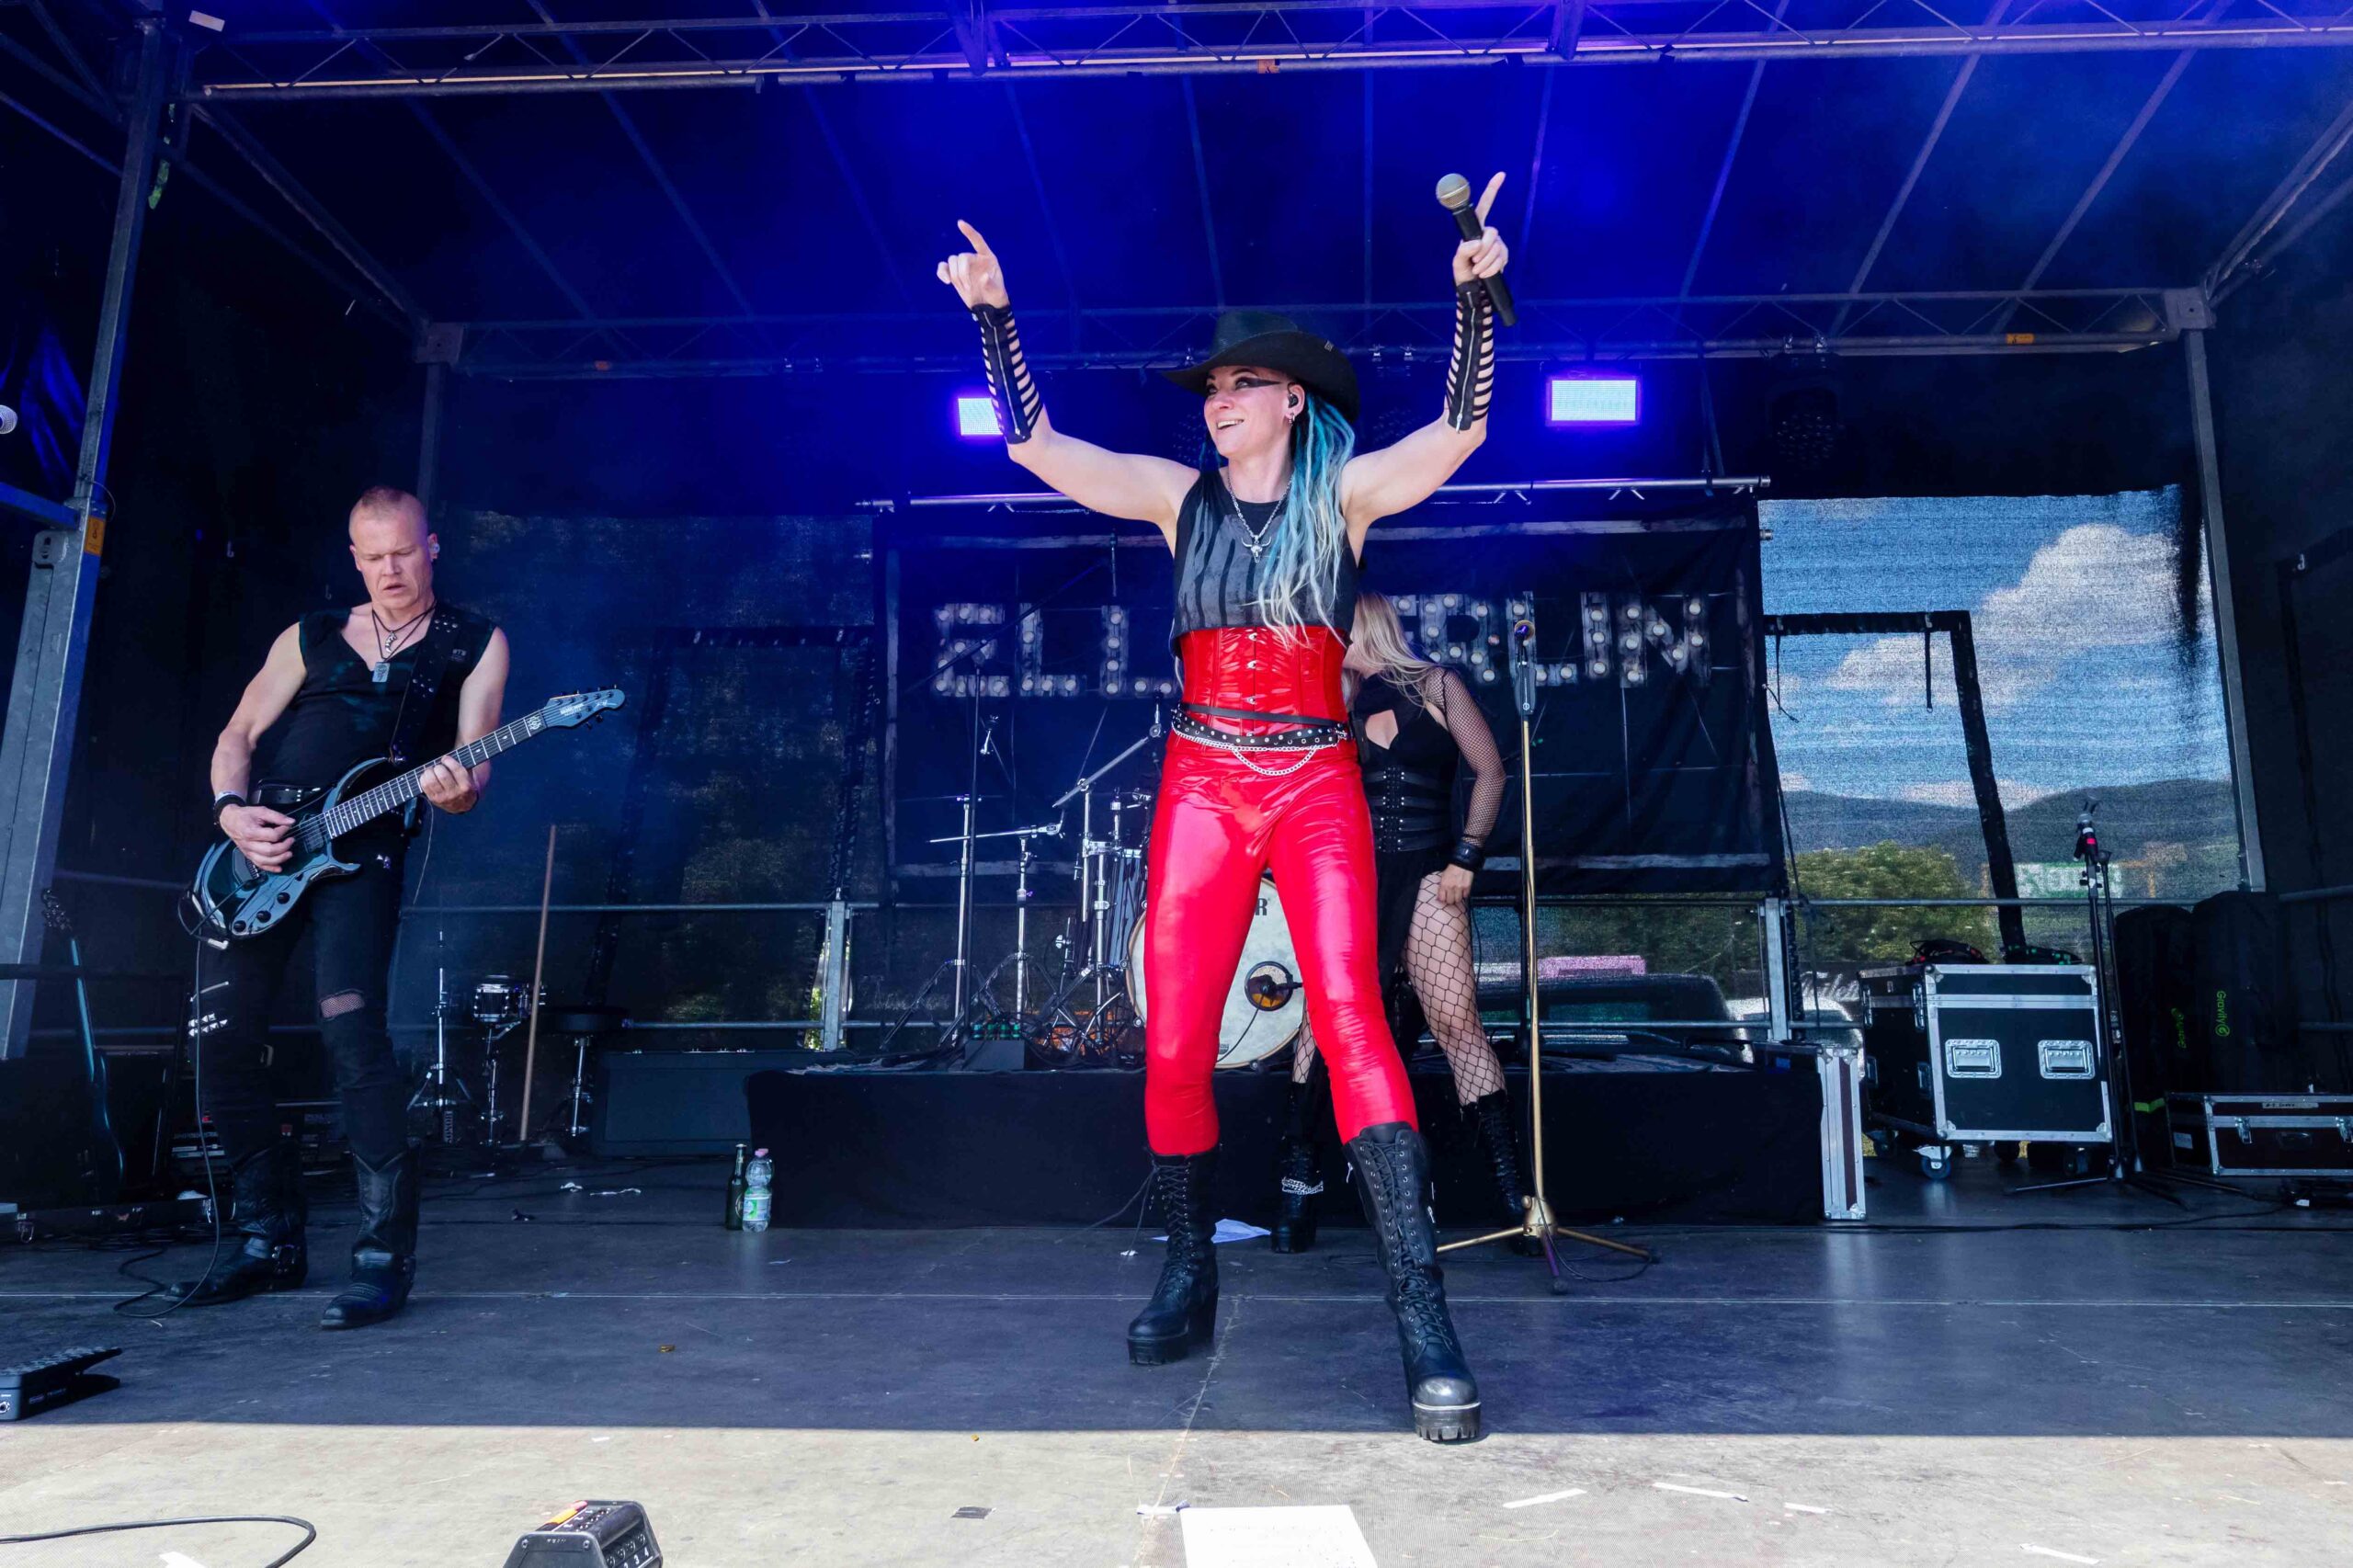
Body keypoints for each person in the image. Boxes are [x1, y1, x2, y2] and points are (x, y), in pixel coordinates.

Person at [937, 180, 1507, 1442]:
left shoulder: (1342, 496)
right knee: (1175, 1035)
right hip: (1203, 775)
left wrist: (1473, 305)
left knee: (1353, 1016)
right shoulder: (1173, 496)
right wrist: (995, 320)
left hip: (1312, 774)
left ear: (1293, 400)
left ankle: (1424, 1316)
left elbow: (1459, 432)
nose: (1220, 397)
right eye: (1212, 385)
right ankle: (1189, 1262)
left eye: (1244, 382)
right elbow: (1039, 448)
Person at [165, 486, 508, 1330]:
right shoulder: (310, 634)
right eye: (374, 556)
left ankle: (382, 1258)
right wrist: (230, 812)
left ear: (433, 546)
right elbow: (238, 735)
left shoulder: (473, 641)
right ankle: (264, 1239)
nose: (390, 570)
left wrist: (456, 791)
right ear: (354, 558)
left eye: (404, 552)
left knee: (353, 1038)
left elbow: (472, 771)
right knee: (220, 1041)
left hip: (363, 855)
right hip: (263, 849)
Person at [1272, 592, 1532, 1256]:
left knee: (1457, 1024)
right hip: (1351, 879)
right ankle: (1298, 1187)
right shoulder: (1331, 701)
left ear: (1363, 625)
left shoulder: (1439, 685)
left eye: (1335, 626)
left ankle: (1516, 1198)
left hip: (1428, 872)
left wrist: (1467, 856)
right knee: (1322, 1024)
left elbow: (1491, 773)